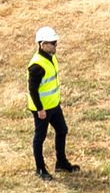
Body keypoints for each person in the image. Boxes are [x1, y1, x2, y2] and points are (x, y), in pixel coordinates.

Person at [28, 25, 77, 178]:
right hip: (42, 109)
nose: (56, 45)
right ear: (43, 45)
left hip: (54, 105)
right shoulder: (36, 66)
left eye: (55, 42)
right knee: (40, 138)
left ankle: (61, 163)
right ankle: (40, 169)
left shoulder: (51, 57)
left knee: (62, 130)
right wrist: (40, 109)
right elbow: (33, 90)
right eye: (53, 43)